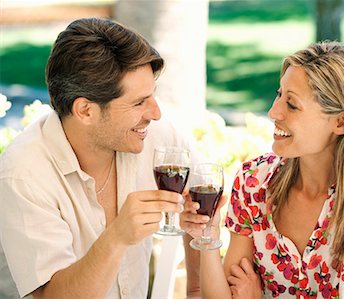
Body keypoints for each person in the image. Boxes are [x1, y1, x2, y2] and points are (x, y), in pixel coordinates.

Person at [0, 18, 207, 299]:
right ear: (85, 110)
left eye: (152, 95)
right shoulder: (23, 174)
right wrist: (117, 237)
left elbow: (203, 206)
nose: (155, 113)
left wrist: (196, 291)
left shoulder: (156, 138)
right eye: (138, 102)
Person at [195, 41, 344, 299]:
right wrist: (207, 237)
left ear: (341, 122)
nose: (273, 112)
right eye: (279, 95)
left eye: (292, 104)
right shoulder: (255, 180)